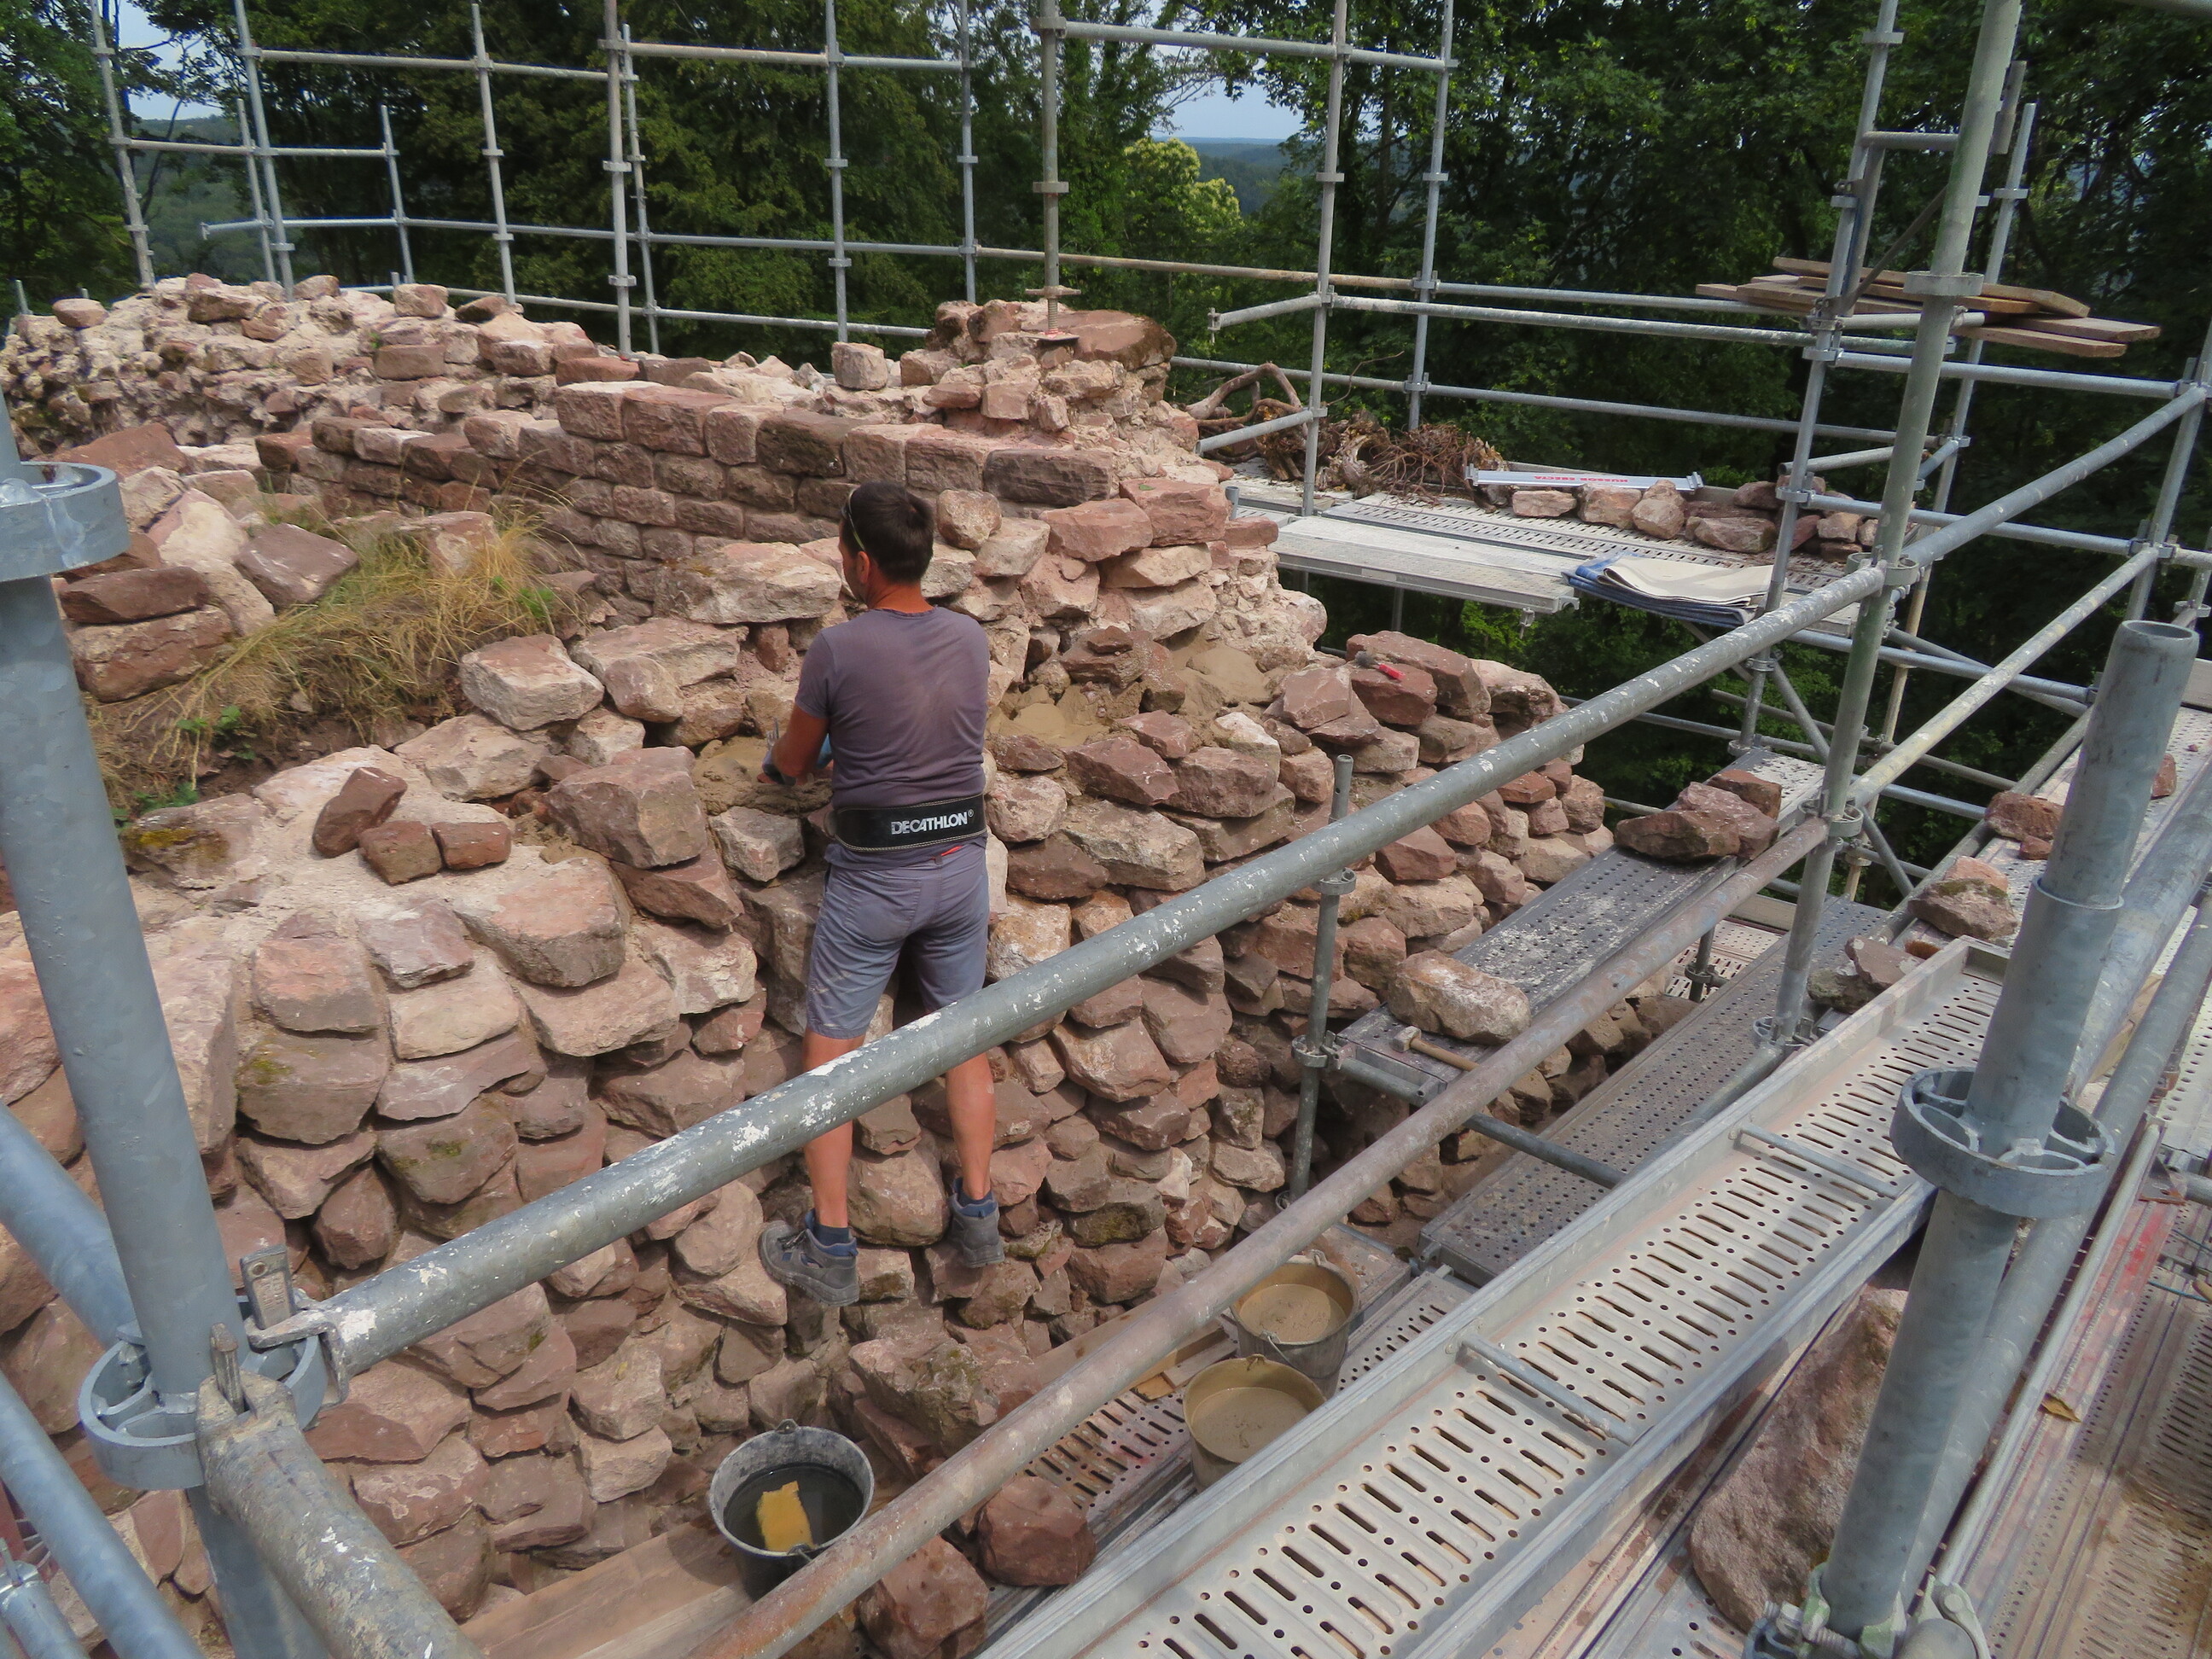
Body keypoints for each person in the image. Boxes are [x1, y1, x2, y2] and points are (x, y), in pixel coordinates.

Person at [755, 480, 1002, 1306]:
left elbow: (794, 764)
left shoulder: (838, 649)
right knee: (964, 1037)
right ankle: (978, 1211)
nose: (840, 562)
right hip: (961, 868)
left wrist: (798, 758)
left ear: (862, 562)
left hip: (877, 884)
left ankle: (829, 1243)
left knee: (829, 1059)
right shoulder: (969, 637)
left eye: (841, 549)